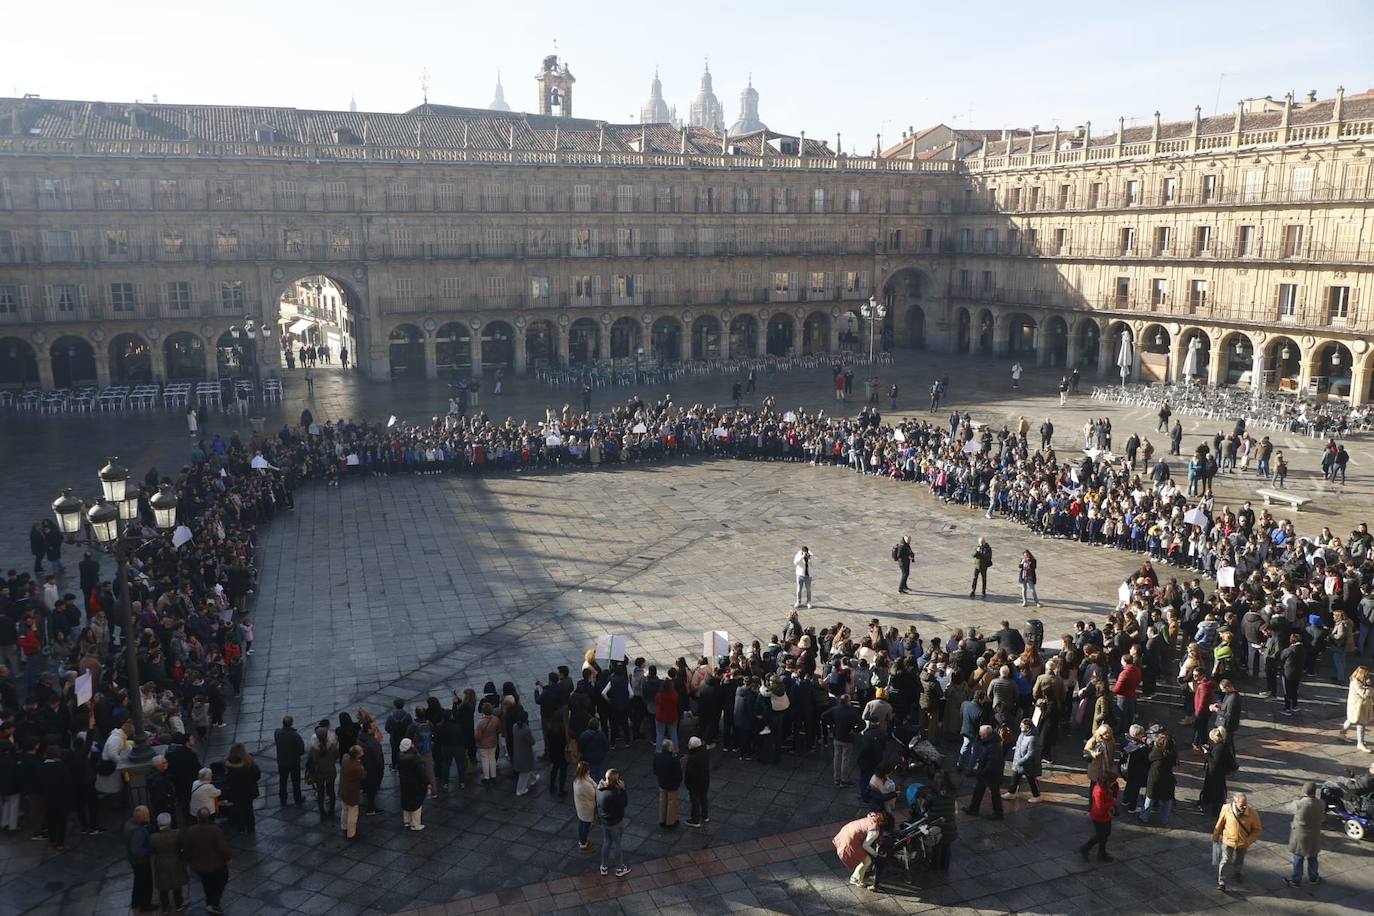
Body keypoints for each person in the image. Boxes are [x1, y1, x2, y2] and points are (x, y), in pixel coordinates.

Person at [184, 808, 232, 915]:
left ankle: (210, 902)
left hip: (199, 865)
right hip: (216, 864)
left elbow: (187, 849)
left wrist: (189, 860)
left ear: (198, 818)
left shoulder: (191, 830)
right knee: (222, 880)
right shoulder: (215, 830)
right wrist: (228, 858)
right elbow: (222, 848)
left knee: (207, 884)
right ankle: (214, 903)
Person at [1212, 791, 1262, 891]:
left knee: (1239, 860)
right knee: (1225, 860)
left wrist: (1249, 841)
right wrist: (1215, 837)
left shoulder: (1253, 814)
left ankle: (1237, 872)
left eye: (1245, 804)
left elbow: (1257, 830)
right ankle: (1221, 881)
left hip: (1243, 843)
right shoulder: (1226, 809)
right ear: (1235, 802)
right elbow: (1219, 824)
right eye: (1242, 805)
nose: (1244, 807)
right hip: (1228, 841)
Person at [149, 812, 189, 913]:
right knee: (177, 884)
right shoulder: (177, 833)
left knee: (163, 887)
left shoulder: (153, 837)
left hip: (161, 863)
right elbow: (183, 847)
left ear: (158, 823)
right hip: (176, 861)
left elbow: (152, 851)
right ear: (170, 822)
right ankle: (179, 904)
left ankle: (165, 907)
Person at [833, 810, 883, 888]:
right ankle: (855, 879)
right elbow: (865, 846)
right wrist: (876, 854)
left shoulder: (870, 819)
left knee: (864, 858)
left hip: (844, 834)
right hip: (849, 842)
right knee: (867, 861)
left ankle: (862, 872)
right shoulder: (874, 830)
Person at [962, 725, 1004, 819]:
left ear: (986, 735)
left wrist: (981, 772)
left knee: (994, 793)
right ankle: (973, 809)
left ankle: (998, 813)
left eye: (981, 735)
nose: (980, 736)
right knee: (978, 790)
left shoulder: (993, 746)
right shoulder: (988, 742)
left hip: (992, 773)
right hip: (984, 771)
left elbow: (992, 763)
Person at [1286, 781, 1323, 887]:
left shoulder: (1299, 803)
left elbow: (1287, 807)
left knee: (1298, 858)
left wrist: (1297, 799)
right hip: (1314, 836)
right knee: (1313, 857)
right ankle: (1313, 877)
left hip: (1300, 836)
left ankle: (1296, 880)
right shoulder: (1321, 803)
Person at [596, 769, 631, 878]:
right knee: (617, 844)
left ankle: (604, 867)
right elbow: (624, 803)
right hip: (615, 822)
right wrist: (623, 790)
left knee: (607, 842)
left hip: (605, 820)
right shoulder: (613, 793)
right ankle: (620, 868)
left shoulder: (599, 789)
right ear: (615, 781)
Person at [1139, 732, 1178, 826]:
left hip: (1155, 778)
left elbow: (1150, 758)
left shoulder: (1157, 752)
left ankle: (1144, 817)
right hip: (1168, 779)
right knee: (1167, 800)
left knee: (1150, 797)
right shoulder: (1172, 753)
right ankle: (1164, 819)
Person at [1078, 776, 1119, 862]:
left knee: (1105, 834)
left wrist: (1115, 787)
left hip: (1106, 815)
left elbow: (1115, 792)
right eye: (1113, 782)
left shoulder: (1107, 788)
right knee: (1101, 835)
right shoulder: (1099, 790)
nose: (1114, 783)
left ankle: (1101, 853)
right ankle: (1086, 849)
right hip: (1099, 817)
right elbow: (1100, 806)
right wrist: (1111, 802)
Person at [125, 805, 155, 914]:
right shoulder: (138, 830)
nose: (148, 817)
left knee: (138, 881)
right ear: (141, 817)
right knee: (145, 882)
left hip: (133, 860)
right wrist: (148, 851)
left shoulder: (128, 824)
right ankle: (145, 904)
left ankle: (135, 902)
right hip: (141, 861)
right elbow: (136, 849)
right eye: (146, 815)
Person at [1003, 718, 1042, 802]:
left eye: (1022, 727)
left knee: (1031, 779)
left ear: (1028, 727)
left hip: (1028, 764)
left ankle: (1037, 796)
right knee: (1015, 777)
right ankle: (1011, 792)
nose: (1020, 728)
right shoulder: (1022, 734)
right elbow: (1020, 745)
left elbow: (1030, 754)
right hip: (1020, 762)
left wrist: (1020, 761)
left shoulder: (1033, 738)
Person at [223, 748, 260, 834]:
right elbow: (257, 776)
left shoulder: (230, 763)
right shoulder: (250, 762)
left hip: (236, 792)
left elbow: (228, 779)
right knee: (249, 809)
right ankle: (251, 828)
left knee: (239, 810)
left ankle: (241, 828)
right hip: (249, 791)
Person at [274, 715, 305, 806]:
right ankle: (297, 799)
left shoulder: (277, 733)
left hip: (282, 762)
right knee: (296, 782)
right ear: (291, 723)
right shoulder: (295, 736)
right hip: (293, 762)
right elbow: (301, 750)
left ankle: (283, 799)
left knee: (283, 781)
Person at [1341, 665, 1373, 753]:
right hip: (1357, 707)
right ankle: (1360, 743)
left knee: (1350, 720)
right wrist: (1369, 686)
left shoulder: (1356, 681)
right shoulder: (1356, 683)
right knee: (1361, 723)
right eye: (1366, 675)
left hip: (1357, 707)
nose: (1368, 676)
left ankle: (1342, 734)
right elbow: (1364, 694)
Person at [307, 726, 336, 820]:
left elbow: (311, 760)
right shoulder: (332, 746)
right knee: (331, 791)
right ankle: (331, 810)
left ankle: (322, 811)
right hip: (330, 771)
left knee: (320, 792)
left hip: (319, 773)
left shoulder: (313, 748)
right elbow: (336, 756)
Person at [397, 738, 426, 831]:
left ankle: (407, 821)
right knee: (416, 803)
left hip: (404, 782)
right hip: (415, 783)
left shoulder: (400, 756)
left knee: (406, 800)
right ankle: (415, 824)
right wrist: (427, 782)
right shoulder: (414, 757)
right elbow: (421, 772)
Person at [653, 738, 682, 828]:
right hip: (672, 785)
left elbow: (655, 771)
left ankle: (662, 819)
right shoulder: (674, 760)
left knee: (662, 801)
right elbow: (678, 774)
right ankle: (670, 822)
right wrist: (678, 782)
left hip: (662, 782)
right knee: (671, 803)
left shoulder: (657, 757)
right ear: (669, 748)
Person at [338, 746, 366, 840]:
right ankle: (351, 833)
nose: (363, 752)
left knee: (344, 810)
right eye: (361, 751)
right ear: (357, 755)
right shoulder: (357, 767)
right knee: (353, 813)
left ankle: (344, 827)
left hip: (343, 789)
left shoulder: (345, 758)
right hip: (352, 793)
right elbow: (363, 776)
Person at [683, 736, 710, 827]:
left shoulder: (693, 758)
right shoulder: (704, 752)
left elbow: (689, 774)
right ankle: (705, 815)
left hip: (695, 784)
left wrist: (687, 784)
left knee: (695, 801)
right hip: (705, 781)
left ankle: (695, 820)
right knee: (703, 798)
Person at [571, 761, 598, 851]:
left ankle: (582, 841)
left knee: (582, 824)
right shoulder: (584, 785)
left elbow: (592, 783)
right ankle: (583, 844)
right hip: (586, 808)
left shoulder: (578, 779)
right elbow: (594, 795)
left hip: (581, 808)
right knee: (586, 826)